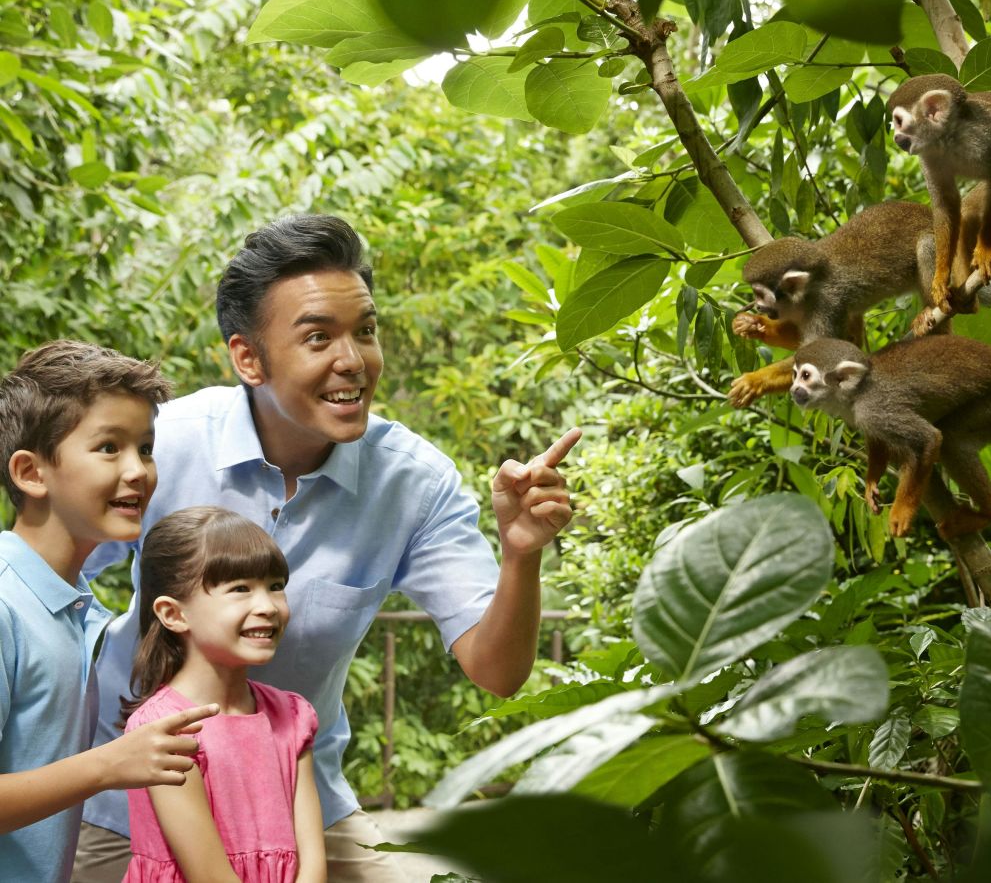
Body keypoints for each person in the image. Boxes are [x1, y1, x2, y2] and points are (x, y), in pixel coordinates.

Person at [75, 213, 581, 883]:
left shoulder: (414, 482)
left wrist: (521, 554)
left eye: (365, 332)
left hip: (298, 804)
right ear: (247, 357)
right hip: (131, 796)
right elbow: (49, 576)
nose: (354, 361)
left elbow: (498, 671)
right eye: (319, 338)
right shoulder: (166, 445)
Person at [0, 341, 219, 882]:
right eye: (108, 448)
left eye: (145, 449)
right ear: (31, 472)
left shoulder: (75, 611)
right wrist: (109, 764)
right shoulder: (5, 603)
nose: (138, 471)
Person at [123, 505, 326, 882]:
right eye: (240, 589)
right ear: (173, 614)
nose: (267, 606)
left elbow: (313, 863)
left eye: (276, 586)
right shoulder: (164, 730)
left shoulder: (294, 716)